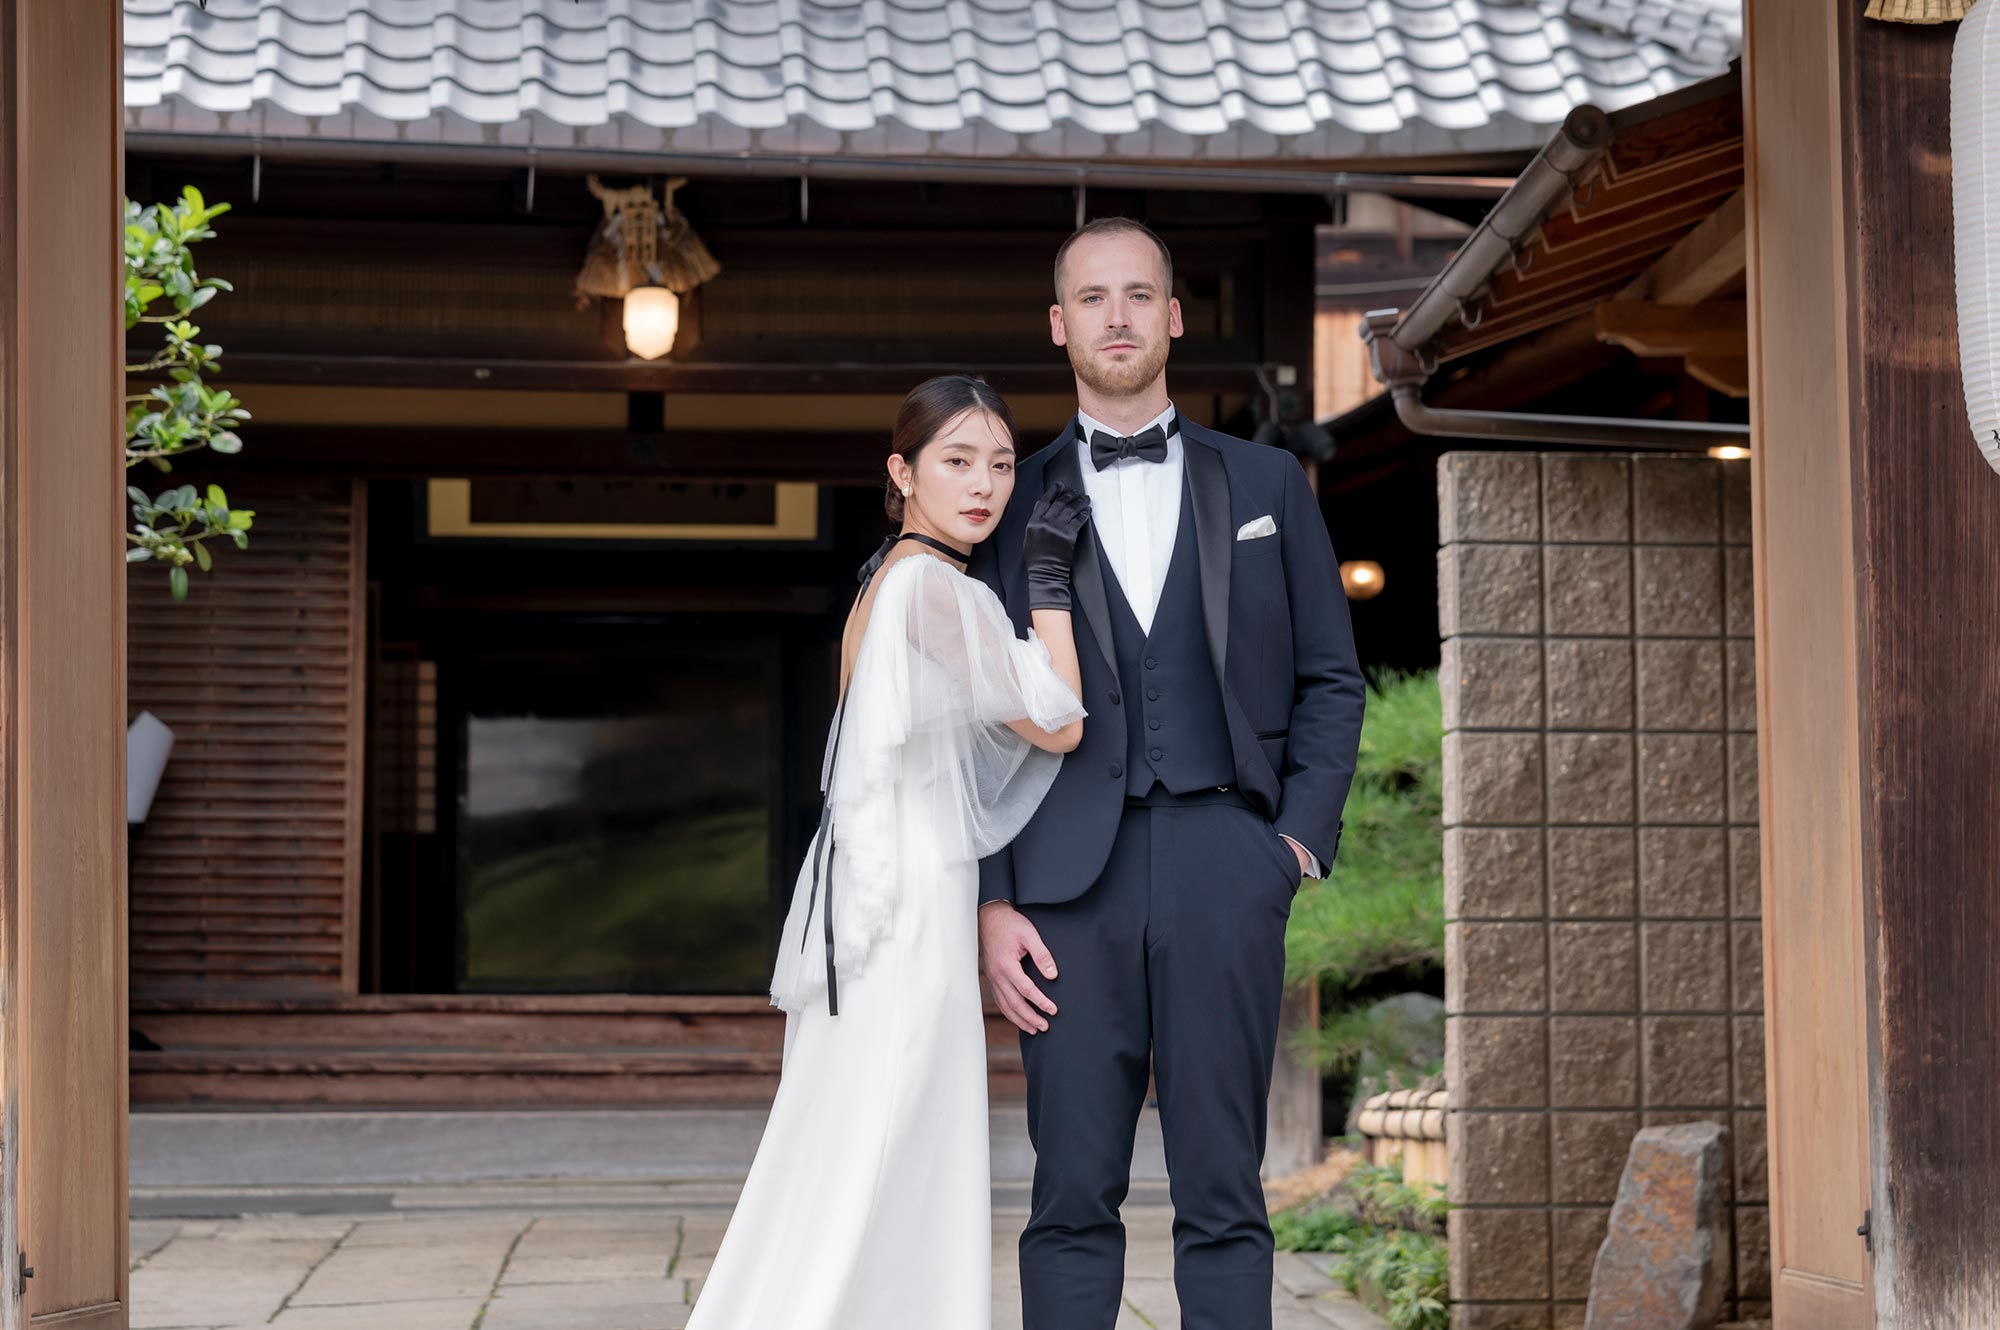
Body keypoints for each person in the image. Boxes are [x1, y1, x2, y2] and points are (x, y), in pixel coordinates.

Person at [969, 218, 1368, 1330]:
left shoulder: (1267, 481)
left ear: (1174, 316)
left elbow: (1331, 678)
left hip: (1226, 862)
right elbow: (974, 725)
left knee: (1224, 1191)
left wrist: (1293, 844)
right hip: (1061, 888)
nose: (1117, 317)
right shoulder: (1006, 500)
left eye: (1138, 294)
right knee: (1069, 1193)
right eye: (1093, 298)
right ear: (1059, 325)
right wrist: (991, 900)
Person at [686, 373, 1090, 1330]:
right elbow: (1060, 721)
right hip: (907, 895)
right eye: (958, 460)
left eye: (1002, 464)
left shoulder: (888, 579)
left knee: (863, 1127)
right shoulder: (930, 587)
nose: (985, 484)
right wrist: (1048, 587)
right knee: (893, 1127)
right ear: (902, 473)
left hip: (888, 883)